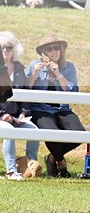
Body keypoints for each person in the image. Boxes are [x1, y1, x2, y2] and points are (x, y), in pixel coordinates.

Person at [0, 31, 40, 180]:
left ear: (14, 50)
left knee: (35, 130)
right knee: (9, 130)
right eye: (2, 47)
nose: (5, 50)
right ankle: (11, 171)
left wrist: (23, 113)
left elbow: (24, 95)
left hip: (15, 116)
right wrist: (1, 115)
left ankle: (30, 164)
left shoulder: (19, 69)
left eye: (9, 47)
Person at [25, 33, 85, 178]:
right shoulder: (35, 65)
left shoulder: (68, 67)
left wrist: (58, 74)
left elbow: (72, 90)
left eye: (56, 48)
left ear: (61, 50)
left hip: (61, 108)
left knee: (79, 133)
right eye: (49, 49)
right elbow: (25, 88)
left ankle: (51, 158)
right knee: (51, 131)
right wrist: (34, 75)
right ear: (44, 53)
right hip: (40, 109)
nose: (53, 52)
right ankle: (61, 162)